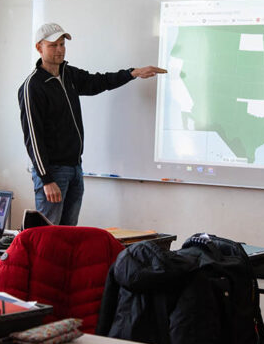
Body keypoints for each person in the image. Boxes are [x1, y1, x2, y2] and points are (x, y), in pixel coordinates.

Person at [18, 22, 166, 225]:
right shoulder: (32, 87)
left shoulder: (69, 75)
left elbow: (99, 82)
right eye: (53, 45)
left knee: (69, 235)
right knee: (47, 237)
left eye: (62, 44)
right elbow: (33, 138)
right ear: (39, 47)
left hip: (75, 168)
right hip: (53, 172)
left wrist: (132, 73)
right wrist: (46, 179)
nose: (60, 50)